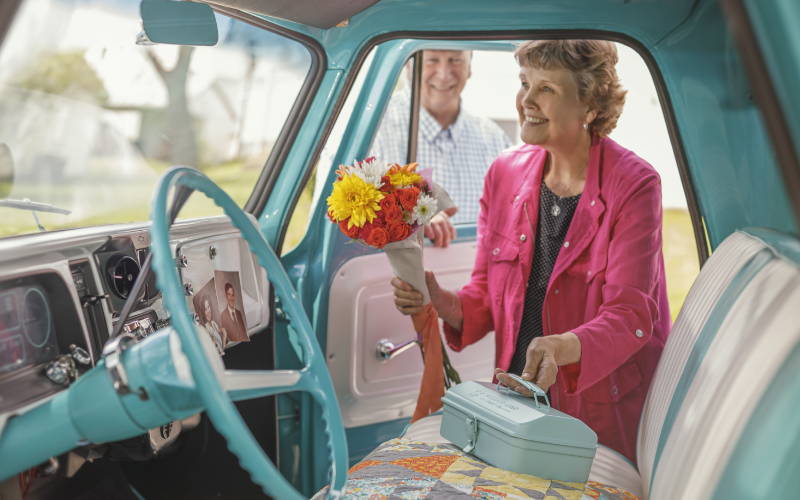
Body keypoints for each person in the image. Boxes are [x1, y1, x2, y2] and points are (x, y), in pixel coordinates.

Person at [391, 40, 670, 462]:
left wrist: (561, 346)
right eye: (525, 84)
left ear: (589, 107)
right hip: (518, 400)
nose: (526, 101)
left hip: (598, 409)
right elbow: (486, 294)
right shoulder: (504, 173)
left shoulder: (635, 184)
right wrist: (440, 300)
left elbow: (631, 315)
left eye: (547, 89)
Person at [371, 49, 512, 247]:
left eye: (455, 60)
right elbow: (342, 217)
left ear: (470, 67)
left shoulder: (495, 139)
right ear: (408, 67)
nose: (444, 74)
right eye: (432, 61)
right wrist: (408, 220)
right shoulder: (372, 131)